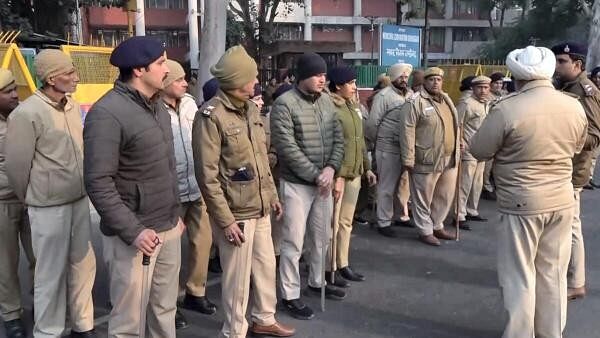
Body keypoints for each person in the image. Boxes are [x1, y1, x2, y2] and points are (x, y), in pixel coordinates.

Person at [470, 45, 587, 338]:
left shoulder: (507, 108)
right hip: (561, 199)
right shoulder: (573, 105)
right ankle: (550, 333)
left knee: (519, 276)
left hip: (521, 203)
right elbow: (577, 146)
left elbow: (480, 149)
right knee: (553, 274)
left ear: (518, 75)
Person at [84, 36, 183, 338]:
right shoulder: (107, 113)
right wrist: (134, 231)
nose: (167, 70)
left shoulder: (158, 109)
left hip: (166, 228)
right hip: (135, 235)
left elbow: (166, 168)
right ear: (139, 70)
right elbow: (98, 181)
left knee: (163, 311)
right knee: (128, 322)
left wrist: (175, 216)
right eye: (161, 63)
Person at [193, 45, 295, 338]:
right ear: (237, 81)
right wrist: (225, 221)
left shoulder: (251, 109)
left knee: (265, 267)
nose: (256, 83)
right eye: (251, 78)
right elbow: (207, 176)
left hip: (260, 206)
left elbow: (261, 159)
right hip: (235, 213)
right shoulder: (210, 117)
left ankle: (264, 318)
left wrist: (273, 196)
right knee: (237, 279)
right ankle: (235, 330)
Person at [5, 49, 97, 338]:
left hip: (79, 200)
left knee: (83, 267)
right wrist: (33, 198)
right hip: (48, 208)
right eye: (69, 73)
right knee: (50, 274)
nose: (75, 78)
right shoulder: (27, 113)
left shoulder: (70, 106)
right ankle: (48, 331)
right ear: (51, 78)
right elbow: (17, 168)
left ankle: (83, 326)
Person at [271, 52, 345, 320]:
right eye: (316, 74)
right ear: (302, 76)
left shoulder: (326, 102)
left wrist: (331, 168)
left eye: (324, 74)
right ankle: (290, 294)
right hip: (296, 185)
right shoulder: (284, 104)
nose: (322, 79)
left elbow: (339, 137)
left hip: (323, 182)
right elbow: (287, 148)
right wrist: (316, 174)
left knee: (321, 237)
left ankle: (317, 281)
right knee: (293, 241)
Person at [161, 60, 218, 319]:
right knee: (170, 252)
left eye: (186, 79)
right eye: (179, 79)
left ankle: (196, 292)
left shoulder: (190, 104)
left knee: (202, 243)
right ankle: (169, 302)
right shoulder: (153, 108)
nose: (186, 83)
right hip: (170, 191)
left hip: (197, 184)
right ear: (164, 83)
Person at [551, 42, 600, 300]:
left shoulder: (584, 89)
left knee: (571, 227)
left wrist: (564, 142)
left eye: (561, 61)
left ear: (577, 64)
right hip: (563, 168)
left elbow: (594, 134)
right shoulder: (565, 86)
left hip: (573, 169)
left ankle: (576, 281)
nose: (557, 66)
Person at [326, 66, 377, 286]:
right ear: (338, 85)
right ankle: (328, 268)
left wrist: (367, 167)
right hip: (339, 175)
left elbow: (359, 141)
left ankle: (342, 263)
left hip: (354, 173)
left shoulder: (352, 106)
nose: (355, 87)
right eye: (351, 82)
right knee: (332, 224)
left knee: (346, 222)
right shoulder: (329, 108)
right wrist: (336, 174)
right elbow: (330, 145)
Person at [398, 67, 460, 247]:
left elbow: (455, 125)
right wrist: (408, 158)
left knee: (444, 195)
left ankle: (437, 224)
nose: (435, 83)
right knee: (423, 197)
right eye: (431, 79)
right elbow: (406, 131)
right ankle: (425, 230)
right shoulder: (415, 102)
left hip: (449, 157)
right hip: (425, 157)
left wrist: (459, 143)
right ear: (424, 82)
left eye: (439, 80)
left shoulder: (446, 100)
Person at [0, 69, 35, 338]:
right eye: (7, 91)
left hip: (32, 199)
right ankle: (11, 315)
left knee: (42, 257)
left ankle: (42, 302)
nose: (15, 95)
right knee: (6, 263)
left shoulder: (23, 116)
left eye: (15, 89)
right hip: (3, 203)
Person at [367, 63, 414, 238]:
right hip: (387, 147)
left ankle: (400, 216)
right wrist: (376, 142)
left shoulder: (411, 95)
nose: (404, 79)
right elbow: (372, 124)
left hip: (405, 147)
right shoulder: (383, 96)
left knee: (402, 185)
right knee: (386, 186)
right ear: (393, 77)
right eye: (401, 76)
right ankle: (383, 221)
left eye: (406, 76)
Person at [454, 75, 491, 230]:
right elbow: (456, 124)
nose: (483, 91)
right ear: (473, 88)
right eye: (479, 88)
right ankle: (459, 214)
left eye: (486, 88)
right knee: (465, 182)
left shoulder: (488, 103)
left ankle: (471, 210)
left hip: (482, 148)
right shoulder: (466, 103)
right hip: (468, 148)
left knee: (477, 182)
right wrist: (460, 142)